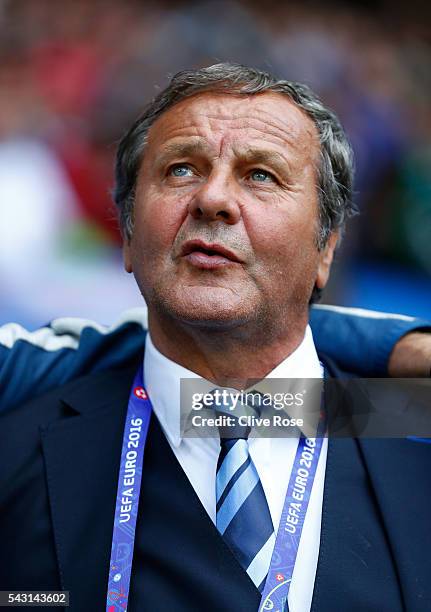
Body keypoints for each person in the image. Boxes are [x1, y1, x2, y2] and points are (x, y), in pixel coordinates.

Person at [0, 63, 430, 612]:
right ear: (128, 236)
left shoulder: (411, 426)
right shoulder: (17, 449)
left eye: (260, 175)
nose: (213, 199)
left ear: (326, 249)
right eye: (181, 170)